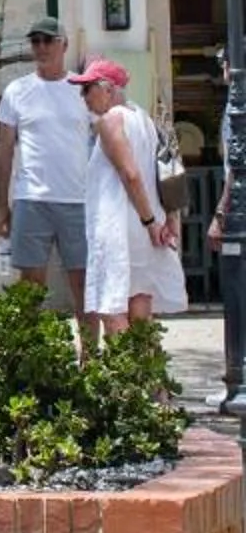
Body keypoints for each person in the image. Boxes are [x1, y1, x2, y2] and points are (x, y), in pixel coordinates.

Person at [72, 57, 186, 337]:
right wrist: (166, 219)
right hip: (144, 225)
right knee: (139, 302)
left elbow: (130, 174)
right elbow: (167, 171)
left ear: (107, 89)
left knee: (113, 309)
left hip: (121, 226)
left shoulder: (111, 120)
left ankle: (125, 379)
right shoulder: (144, 119)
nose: (83, 98)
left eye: (87, 89)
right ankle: (147, 378)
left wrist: (150, 222)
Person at [0, 17, 91, 323]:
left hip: (78, 200)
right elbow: (5, 150)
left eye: (48, 40)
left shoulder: (82, 89)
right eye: (35, 41)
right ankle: (30, 359)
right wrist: (0, 205)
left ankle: (89, 361)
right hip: (31, 199)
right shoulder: (17, 90)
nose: (42, 47)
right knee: (30, 287)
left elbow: (105, 142)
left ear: (64, 44)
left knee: (84, 284)